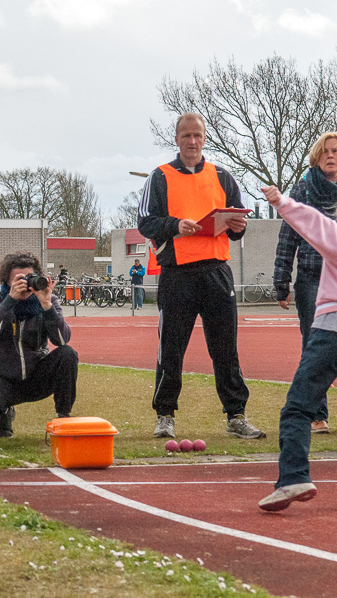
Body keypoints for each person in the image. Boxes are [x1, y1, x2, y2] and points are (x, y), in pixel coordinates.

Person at [137, 113, 265, 440]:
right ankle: (165, 415)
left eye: (197, 135)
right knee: (171, 349)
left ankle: (236, 415)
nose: (192, 142)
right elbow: (145, 223)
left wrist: (239, 226)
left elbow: (237, 223)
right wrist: (174, 225)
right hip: (177, 275)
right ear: (176, 139)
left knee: (225, 349)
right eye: (186, 136)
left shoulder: (223, 176)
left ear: (204, 138)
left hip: (217, 273)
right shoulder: (160, 177)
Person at [258, 184, 337, 510]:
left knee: (299, 408)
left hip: (330, 332)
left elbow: (313, 223)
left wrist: (282, 202)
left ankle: (293, 478)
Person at [0, 252, 78, 438]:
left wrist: (47, 307)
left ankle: (64, 417)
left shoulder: (47, 300)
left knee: (68, 354)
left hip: (36, 375)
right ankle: (5, 414)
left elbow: (61, 340)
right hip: (3, 376)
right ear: (7, 281)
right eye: (18, 279)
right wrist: (9, 302)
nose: (25, 284)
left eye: (29, 278)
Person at [273, 132, 337, 435]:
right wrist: (281, 279)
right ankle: (317, 414)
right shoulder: (303, 189)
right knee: (315, 347)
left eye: (335, 151)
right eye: (325, 152)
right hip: (312, 277)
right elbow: (288, 237)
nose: (331, 156)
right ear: (316, 155)